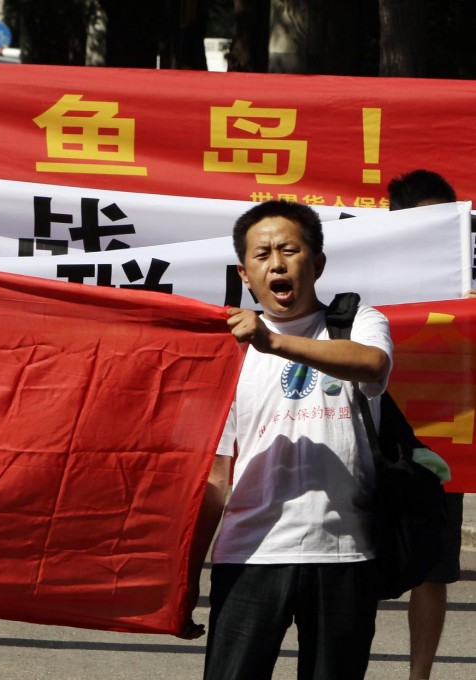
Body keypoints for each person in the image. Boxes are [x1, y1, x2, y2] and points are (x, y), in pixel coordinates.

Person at [185, 199, 393, 679]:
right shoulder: (228, 351)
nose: (276, 264)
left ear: (317, 263)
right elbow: (216, 475)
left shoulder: (358, 322)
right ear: (244, 274)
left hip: (344, 552)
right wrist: (188, 575)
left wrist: (273, 342)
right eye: (262, 255)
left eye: (289, 250)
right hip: (249, 554)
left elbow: (372, 365)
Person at [387, 168, 466, 680]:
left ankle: (420, 675)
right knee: (349, 566)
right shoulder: (367, 275)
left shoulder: (467, 278)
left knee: (432, 571)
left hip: (443, 443)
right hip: (374, 438)